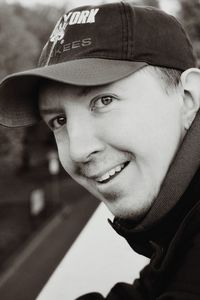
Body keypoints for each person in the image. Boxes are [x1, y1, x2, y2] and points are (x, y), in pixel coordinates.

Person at [0, 1, 200, 299]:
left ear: (187, 97)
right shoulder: (176, 237)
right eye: (59, 120)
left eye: (104, 100)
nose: (78, 150)